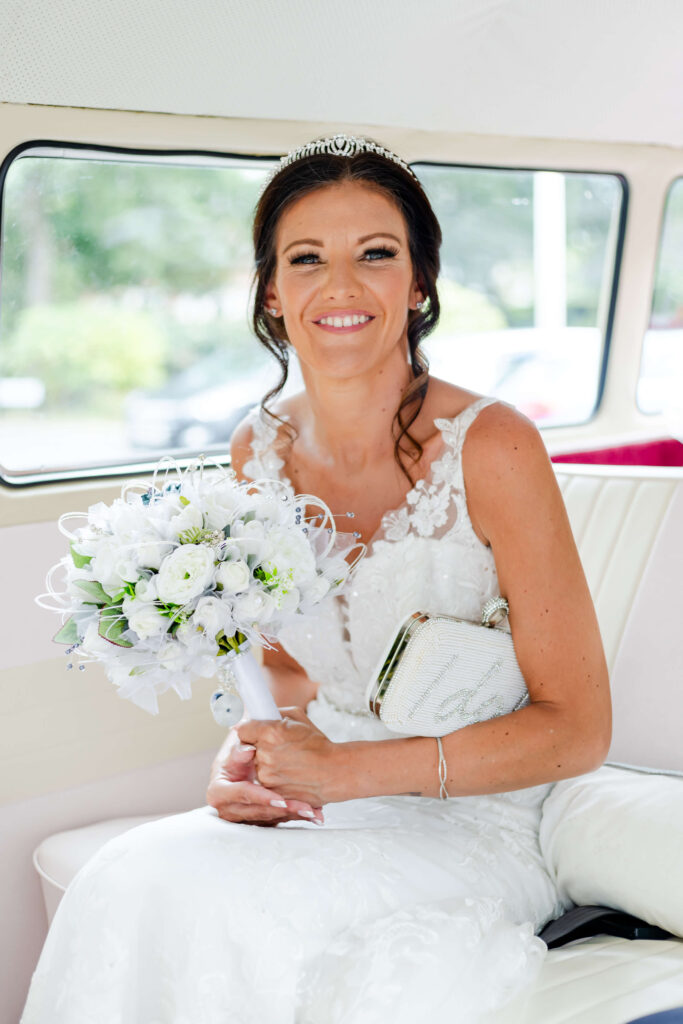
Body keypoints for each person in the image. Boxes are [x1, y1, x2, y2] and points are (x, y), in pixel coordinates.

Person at [21, 135, 611, 1024]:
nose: (340, 286)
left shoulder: (494, 447)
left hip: (477, 815)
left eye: (374, 254)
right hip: (322, 799)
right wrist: (251, 758)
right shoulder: (256, 448)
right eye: (306, 259)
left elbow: (578, 730)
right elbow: (289, 671)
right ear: (271, 291)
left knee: (249, 922)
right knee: (127, 876)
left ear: (418, 283)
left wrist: (347, 773)